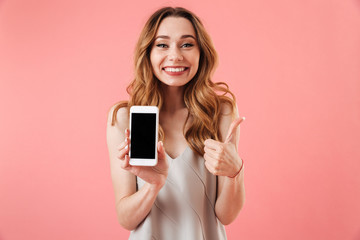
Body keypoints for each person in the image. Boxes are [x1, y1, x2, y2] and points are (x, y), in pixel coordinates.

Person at [106, 7, 245, 240]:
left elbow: (226, 215)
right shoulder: (124, 117)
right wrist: (153, 185)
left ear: (202, 53)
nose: (175, 56)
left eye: (187, 44)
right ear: (148, 53)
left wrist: (235, 172)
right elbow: (126, 219)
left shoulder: (220, 112)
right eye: (162, 45)